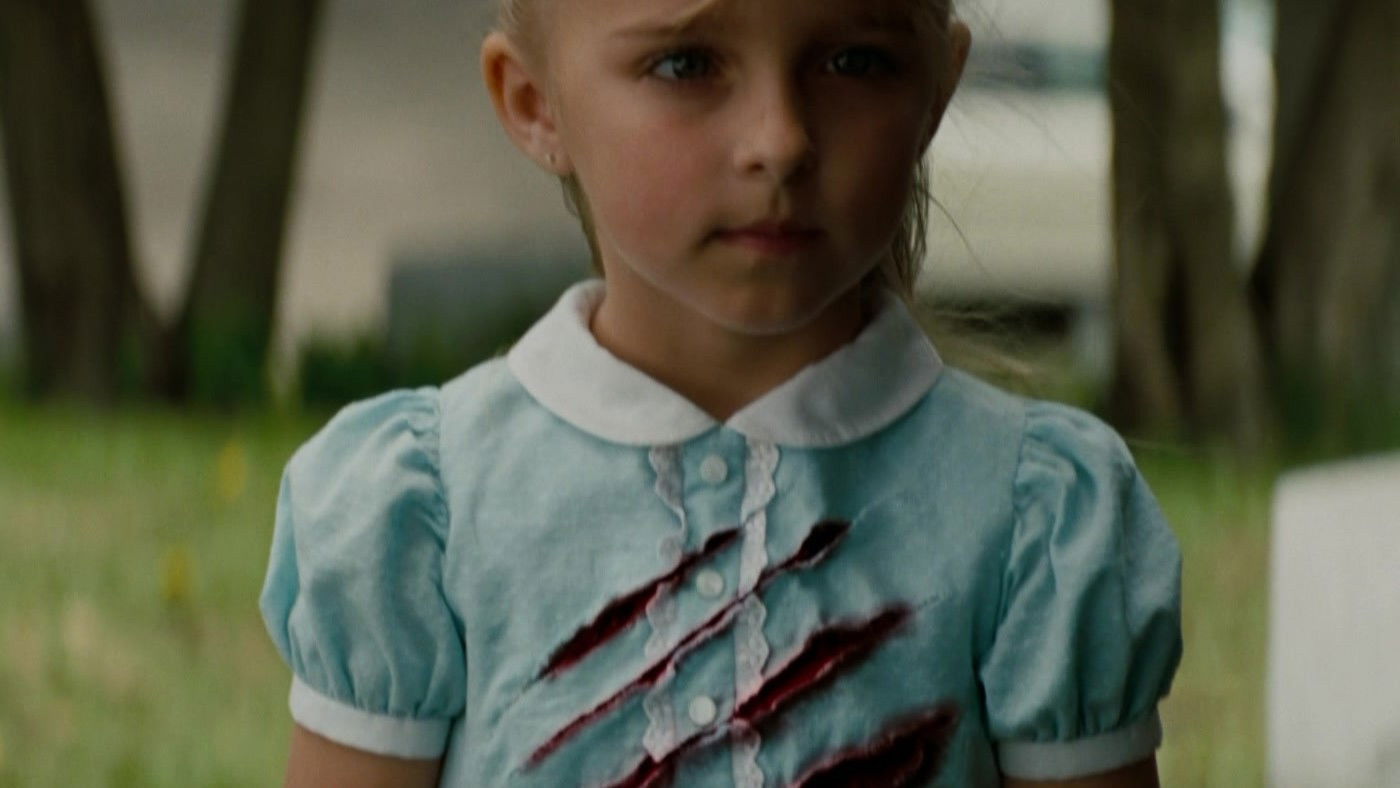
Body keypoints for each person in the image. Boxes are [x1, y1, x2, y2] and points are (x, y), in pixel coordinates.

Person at [259, 0, 1183, 785]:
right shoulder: (425, 517)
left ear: (936, 90)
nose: (781, 141)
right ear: (536, 103)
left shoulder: (1032, 525)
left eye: (854, 61)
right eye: (686, 64)